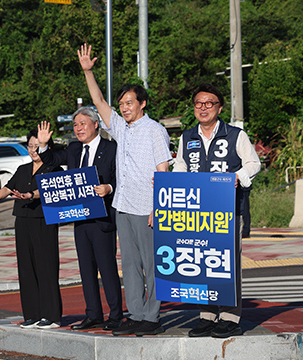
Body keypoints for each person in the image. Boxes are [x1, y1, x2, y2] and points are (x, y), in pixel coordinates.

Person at [78, 44, 172, 336]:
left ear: (142, 103)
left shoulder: (155, 130)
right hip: (124, 205)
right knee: (130, 265)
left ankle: (152, 317)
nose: (124, 108)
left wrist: (159, 208)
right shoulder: (120, 128)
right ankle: (136, 313)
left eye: (130, 103)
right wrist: (88, 72)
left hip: (148, 207)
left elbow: (163, 172)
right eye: (122, 105)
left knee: (151, 264)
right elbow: (99, 101)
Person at [173, 84, 261, 338]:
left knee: (228, 264)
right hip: (197, 214)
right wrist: (167, 183)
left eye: (209, 103)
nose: (203, 108)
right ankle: (207, 315)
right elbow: (180, 167)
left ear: (219, 108)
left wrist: (237, 177)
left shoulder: (235, 135)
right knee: (203, 262)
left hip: (229, 212)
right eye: (198, 103)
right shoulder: (187, 137)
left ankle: (231, 317)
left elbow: (253, 163)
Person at [37, 107, 123, 331]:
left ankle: (115, 314)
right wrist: (44, 145)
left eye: (83, 123)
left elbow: (121, 177)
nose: (78, 128)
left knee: (107, 269)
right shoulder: (74, 149)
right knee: (86, 269)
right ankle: (93, 313)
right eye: (75, 125)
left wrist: (109, 187)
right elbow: (52, 160)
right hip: (80, 218)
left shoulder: (112, 148)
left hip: (103, 218)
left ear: (96, 124)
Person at [0, 129, 63, 329]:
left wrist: (31, 195)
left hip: (44, 220)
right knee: (26, 268)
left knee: (46, 266)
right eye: (31, 146)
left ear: (46, 147)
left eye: (37, 146)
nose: (34, 150)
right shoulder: (23, 169)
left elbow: (47, 190)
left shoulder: (54, 169)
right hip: (23, 220)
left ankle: (51, 315)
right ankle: (32, 314)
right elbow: (8, 187)